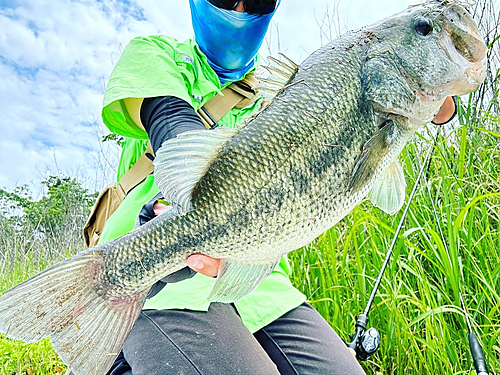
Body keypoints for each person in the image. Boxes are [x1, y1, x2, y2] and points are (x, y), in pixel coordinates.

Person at [99, 1, 457, 374]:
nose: (239, 9)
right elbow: (169, 119)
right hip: (163, 280)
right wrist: (189, 205)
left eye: (256, 0)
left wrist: (433, 87)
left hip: (262, 283)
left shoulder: (289, 93)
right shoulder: (155, 53)